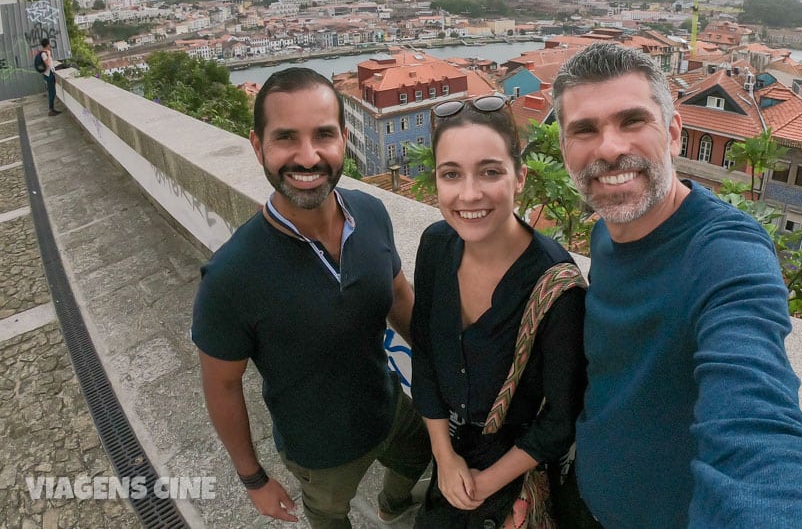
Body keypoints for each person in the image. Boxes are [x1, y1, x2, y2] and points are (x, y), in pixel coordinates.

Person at [552, 42, 802, 528]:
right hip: (584, 498)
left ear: (674, 134)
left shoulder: (725, 253)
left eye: (632, 121)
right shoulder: (605, 231)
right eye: (584, 130)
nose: (610, 147)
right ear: (564, 151)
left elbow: (758, 425)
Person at [192, 68, 431, 529]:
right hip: (320, 452)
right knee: (329, 516)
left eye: (323, 135)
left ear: (344, 139)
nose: (307, 157)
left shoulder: (371, 213)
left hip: (390, 406)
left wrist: (442, 363)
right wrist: (253, 479)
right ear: (258, 146)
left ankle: (393, 504)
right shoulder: (231, 276)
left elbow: (398, 294)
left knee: (417, 454)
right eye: (286, 138)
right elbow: (221, 385)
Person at [410, 94, 587, 528]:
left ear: (520, 177)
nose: (469, 194)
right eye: (451, 174)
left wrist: (483, 484)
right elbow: (426, 356)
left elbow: (560, 418)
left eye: (490, 172)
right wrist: (443, 456)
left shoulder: (556, 287)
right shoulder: (435, 245)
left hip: (512, 466)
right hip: (447, 452)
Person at [38, 37, 61, 116]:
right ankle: (51, 109)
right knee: (52, 92)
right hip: (48, 74)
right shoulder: (44, 53)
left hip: (49, 73)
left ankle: (52, 109)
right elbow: (47, 64)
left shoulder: (45, 52)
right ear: (47, 44)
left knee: (52, 91)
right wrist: (49, 54)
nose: (50, 45)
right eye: (49, 44)